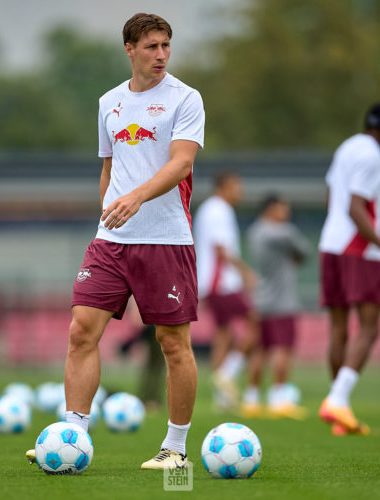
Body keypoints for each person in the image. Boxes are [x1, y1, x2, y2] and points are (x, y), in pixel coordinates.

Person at [26, 12, 205, 470]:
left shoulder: (186, 99)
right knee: (81, 330)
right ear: (129, 49)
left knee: (172, 343)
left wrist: (136, 199)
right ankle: (73, 436)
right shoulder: (109, 102)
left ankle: (176, 449)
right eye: (151, 46)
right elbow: (108, 168)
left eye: (166, 45)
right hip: (111, 239)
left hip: (166, 240)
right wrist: (110, 209)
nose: (161, 54)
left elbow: (181, 164)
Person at [317, 102, 380, 436]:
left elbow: (334, 199)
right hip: (359, 249)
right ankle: (338, 399)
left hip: (330, 244)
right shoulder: (374, 159)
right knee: (369, 328)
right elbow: (358, 210)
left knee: (339, 328)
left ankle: (339, 410)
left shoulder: (348, 147)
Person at [193, 171, 258, 412]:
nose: (239, 192)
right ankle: (227, 374)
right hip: (222, 282)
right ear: (224, 187)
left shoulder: (209, 209)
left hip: (210, 281)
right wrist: (245, 272)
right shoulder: (220, 210)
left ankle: (221, 397)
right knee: (255, 321)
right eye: (236, 187)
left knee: (222, 333)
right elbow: (221, 249)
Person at [245, 194, 310, 419]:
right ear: (271, 209)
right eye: (283, 208)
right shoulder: (284, 232)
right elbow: (304, 253)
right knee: (283, 349)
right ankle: (278, 399)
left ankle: (251, 400)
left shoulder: (254, 231)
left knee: (259, 351)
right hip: (282, 301)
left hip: (260, 298)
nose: (287, 212)